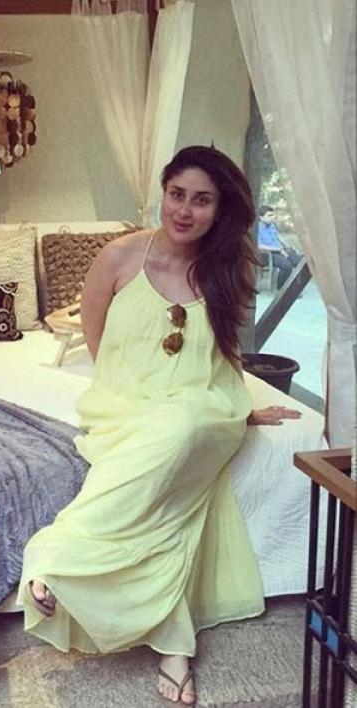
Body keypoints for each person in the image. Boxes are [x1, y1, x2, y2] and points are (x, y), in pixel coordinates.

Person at [17, 146, 301, 706]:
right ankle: (175, 644)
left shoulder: (227, 268)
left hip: (205, 402)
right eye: (177, 195)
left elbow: (225, 350)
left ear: (220, 209)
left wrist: (243, 408)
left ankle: (55, 554)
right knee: (180, 498)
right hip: (127, 401)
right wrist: (131, 389)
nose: (185, 210)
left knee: (187, 424)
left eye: (202, 200)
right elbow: (97, 337)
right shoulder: (120, 256)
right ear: (163, 193)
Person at [257, 205, 302, 289]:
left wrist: (287, 245)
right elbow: (259, 246)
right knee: (286, 266)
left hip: (280, 251)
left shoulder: (272, 225)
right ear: (261, 217)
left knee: (299, 262)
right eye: (269, 215)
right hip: (267, 254)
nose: (272, 217)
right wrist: (278, 249)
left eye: (272, 215)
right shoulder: (257, 229)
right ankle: (282, 288)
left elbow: (278, 238)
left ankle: (294, 287)